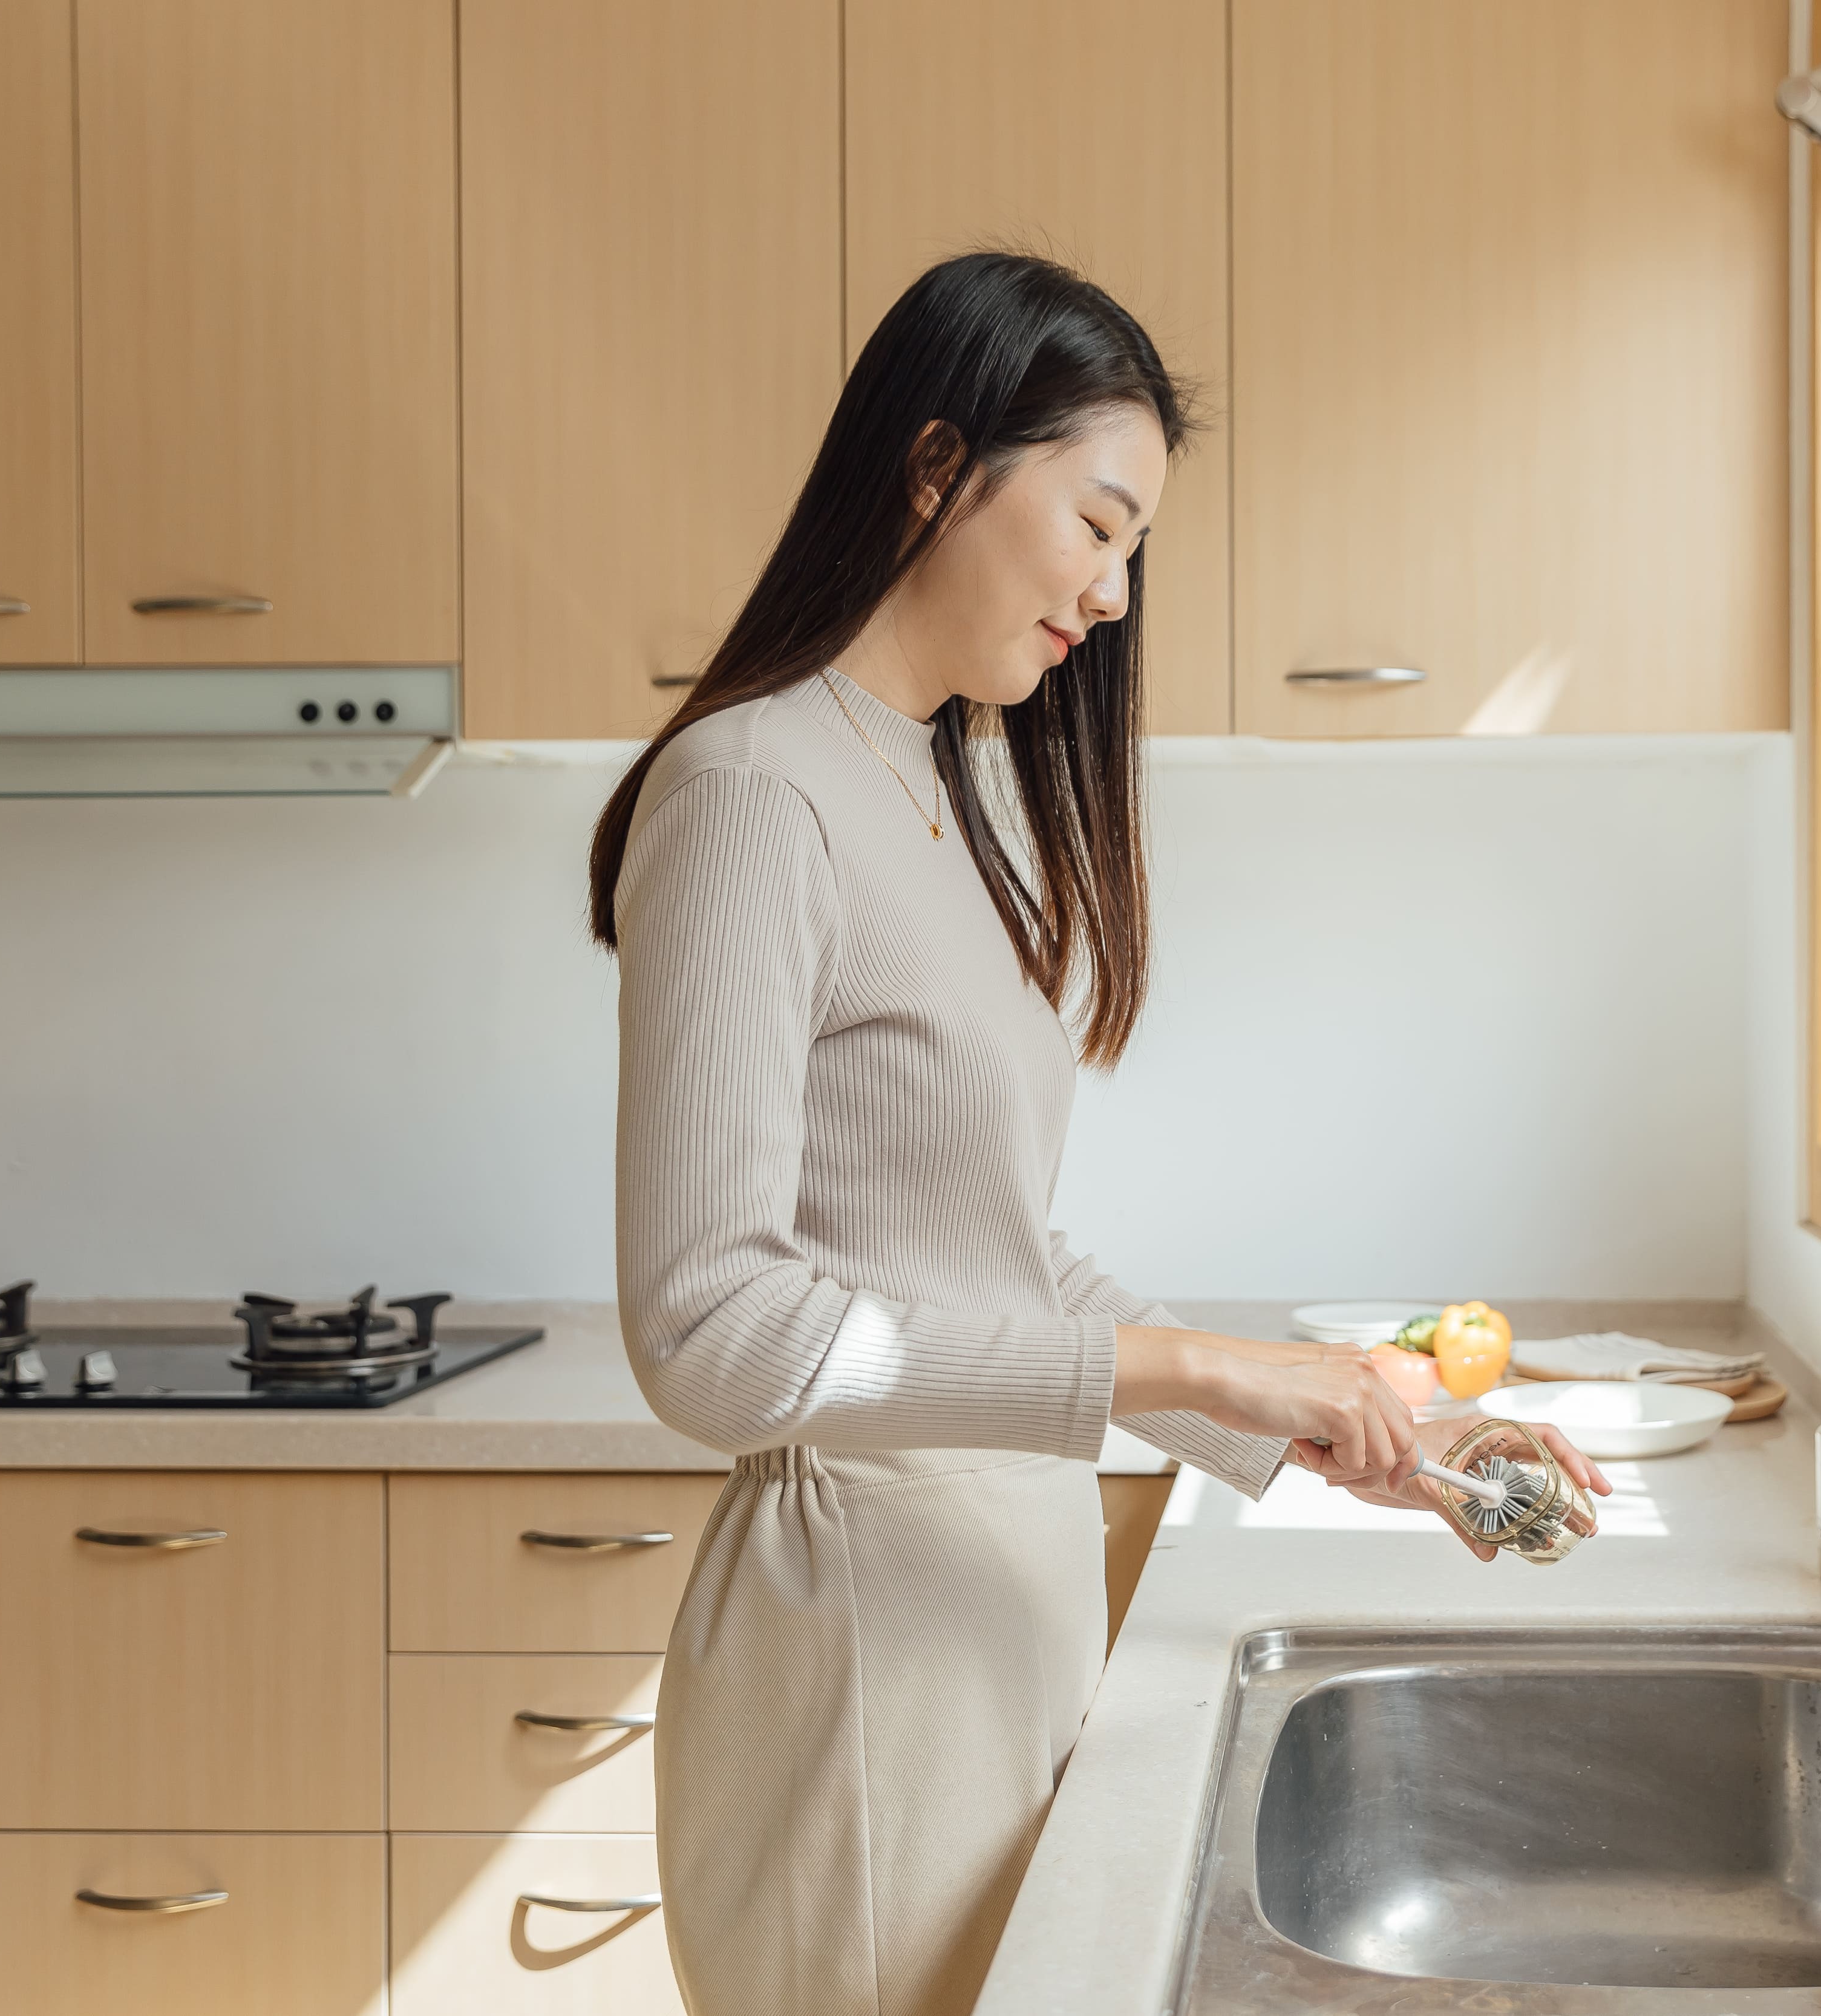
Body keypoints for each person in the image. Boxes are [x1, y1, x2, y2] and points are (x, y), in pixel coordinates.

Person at [589, 252, 1607, 2016]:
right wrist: (1207, 1368)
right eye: (1098, 524)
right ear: (934, 469)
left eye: (1136, 550)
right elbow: (711, 1335)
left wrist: (1347, 1420)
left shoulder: (928, 788)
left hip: (992, 1623)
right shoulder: (753, 792)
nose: (1116, 594)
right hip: (863, 1673)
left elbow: (984, 1254)